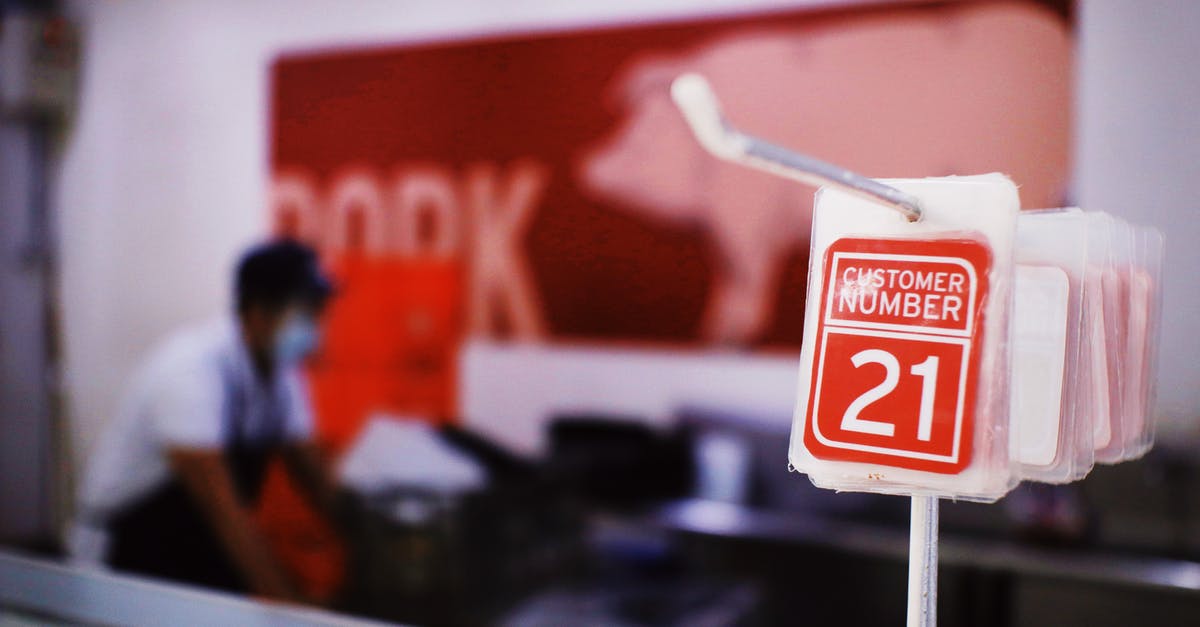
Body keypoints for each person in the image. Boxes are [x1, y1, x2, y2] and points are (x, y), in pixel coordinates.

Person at [71, 240, 343, 601]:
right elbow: (227, 517)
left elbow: (318, 482)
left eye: (319, 313)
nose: (315, 326)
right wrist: (294, 612)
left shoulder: (282, 378)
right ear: (258, 313)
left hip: (199, 555)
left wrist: (377, 547)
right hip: (127, 561)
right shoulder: (192, 369)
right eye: (305, 313)